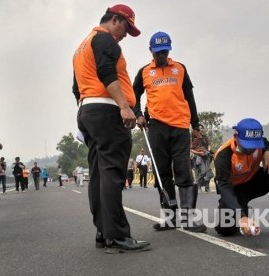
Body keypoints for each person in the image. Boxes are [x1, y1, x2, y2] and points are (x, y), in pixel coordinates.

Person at [73, 4, 150, 253]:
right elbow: (107, 73)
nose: (126, 34)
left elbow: (76, 87)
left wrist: (87, 108)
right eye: (127, 27)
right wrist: (124, 107)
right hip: (106, 110)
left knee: (98, 173)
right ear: (115, 20)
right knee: (113, 174)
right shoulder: (106, 40)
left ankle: (103, 231)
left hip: (89, 110)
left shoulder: (82, 46)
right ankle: (117, 234)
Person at [133, 31, 205, 233]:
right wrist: (139, 114)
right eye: (158, 53)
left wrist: (195, 124)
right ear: (151, 51)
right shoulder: (145, 72)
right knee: (161, 170)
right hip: (156, 127)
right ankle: (171, 218)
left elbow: (190, 97)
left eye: (164, 52)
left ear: (169, 50)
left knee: (183, 170)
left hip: (180, 126)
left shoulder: (180, 69)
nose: (161, 56)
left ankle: (189, 218)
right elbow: (133, 95)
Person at [214, 118, 269, 240]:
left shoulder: (260, 143)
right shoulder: (223, 155)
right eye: (246, 146)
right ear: (236, 137)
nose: (250, 150)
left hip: (255, 183)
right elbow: (224, 187)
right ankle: (244, 210)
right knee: (226, 229)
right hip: (234, 190)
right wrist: (241, 215)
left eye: (253, 146)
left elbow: (267, 144)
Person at [191, 124, 213, 192]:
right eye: (199, 129)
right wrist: (199, 153)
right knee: (202, 172)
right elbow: (191, 149)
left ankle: (207, 188)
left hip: (206, 155)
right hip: (198, 157)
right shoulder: (194, 138)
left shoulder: (204, 137)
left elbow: (209, 144)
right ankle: (198, 185)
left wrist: (208, 150)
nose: (201, 130)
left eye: (202, 128)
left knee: (208, 172)